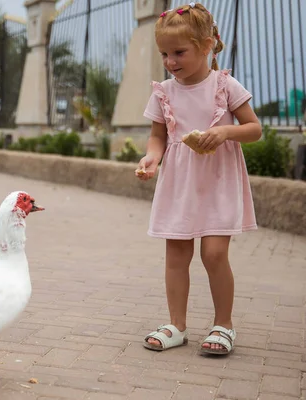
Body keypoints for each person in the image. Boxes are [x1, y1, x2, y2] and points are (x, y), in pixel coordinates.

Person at [135, 2, 262, 355]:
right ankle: (176, 324)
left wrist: (224, 133)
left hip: (218, 180)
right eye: (164, 54)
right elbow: (158, 136)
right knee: (176, 253)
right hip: (179, 183)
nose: (170, 61)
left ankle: (224, 325)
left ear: (206, 46)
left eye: (179, 52)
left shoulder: (224, 84)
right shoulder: (164, 91)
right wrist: (152, 159)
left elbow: (254, 129)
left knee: (214, 253)